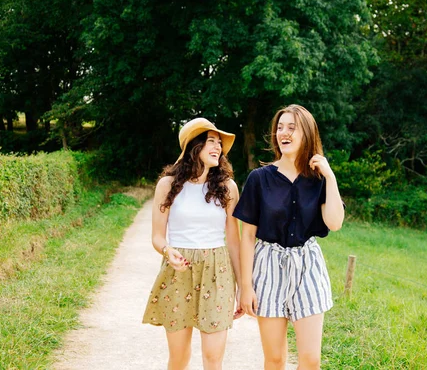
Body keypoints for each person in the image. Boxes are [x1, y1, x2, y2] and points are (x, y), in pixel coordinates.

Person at [234, 104, 345, 370]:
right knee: (275, 359)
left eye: (291, 128)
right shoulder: (259, 179)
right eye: (280, 128)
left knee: (310, 360)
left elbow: (334, 222)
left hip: (307, 265)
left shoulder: (318, 178)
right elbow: (247, 236)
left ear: (307, 133)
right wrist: (246, 287)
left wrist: (330, 176)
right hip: (269, 265)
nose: (283, 132)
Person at [142, 118, 243, 370]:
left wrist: (242, 286)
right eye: (211, 141)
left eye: (219, 143)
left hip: (217, 272)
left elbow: (234, 240)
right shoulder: (167, 185)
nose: (218, 147)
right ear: (193, 147)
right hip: (179, 272)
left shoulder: (228, 187)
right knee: (179, 358)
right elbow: (157, 236)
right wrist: (167, 250)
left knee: (213, 359)